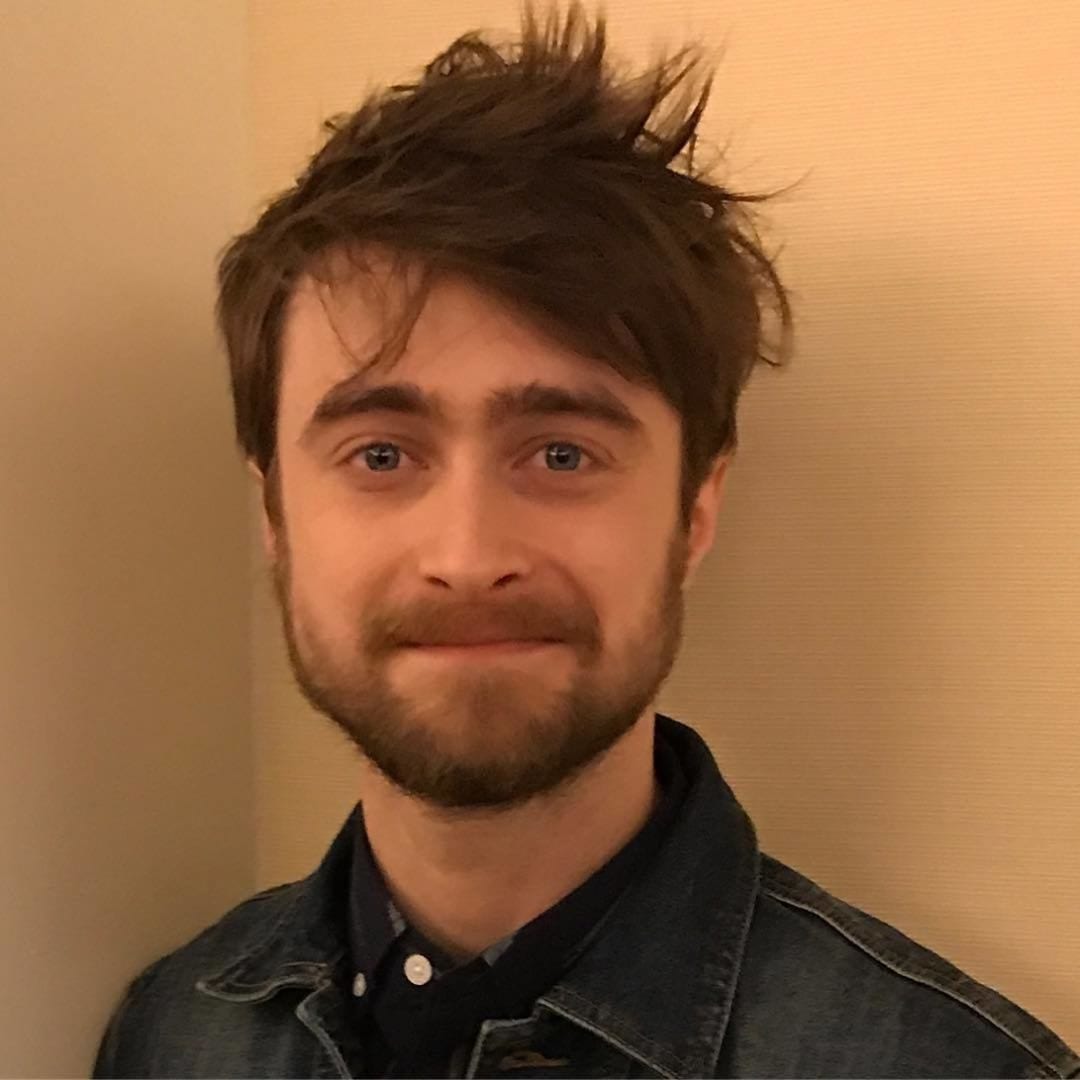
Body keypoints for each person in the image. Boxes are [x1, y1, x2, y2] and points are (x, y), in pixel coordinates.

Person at [92, 4, 1079, 1077]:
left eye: (561, 454)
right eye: (380, 454)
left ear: (696, 509)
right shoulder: (174, 1038)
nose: (468, 556)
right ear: (276, 514)